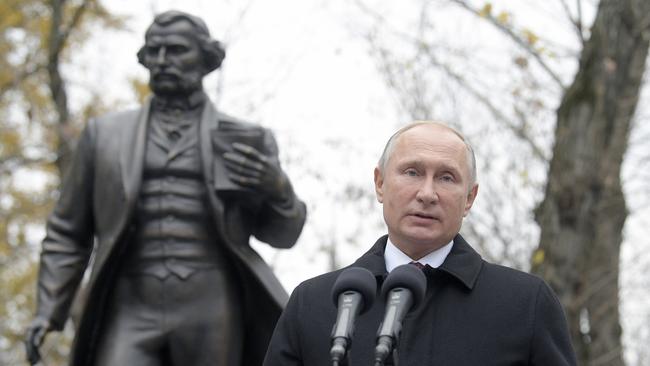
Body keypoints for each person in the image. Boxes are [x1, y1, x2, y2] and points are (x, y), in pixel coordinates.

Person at [25, 10, 306, 366]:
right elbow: (68, 232)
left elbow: (285, 236)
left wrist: (277, 188)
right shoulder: (105, 136)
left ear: (206, 58)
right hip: (129, 302)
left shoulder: (246, 139)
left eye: (175, 50)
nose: (161, 61)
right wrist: (49, 310)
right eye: (153, 51)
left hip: (211, 302)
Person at [263, 121, 577, 365]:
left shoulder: (524, 304)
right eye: (412, 172)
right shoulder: (314, 303)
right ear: (380, 184)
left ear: (469, 199)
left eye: (446, 177)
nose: (427, 193)